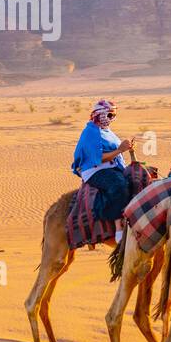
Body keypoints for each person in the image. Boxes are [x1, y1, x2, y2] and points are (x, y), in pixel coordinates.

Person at [71, 99, 134, 240]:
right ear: (101, 114)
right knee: (119, 185)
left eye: (114, 115)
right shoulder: (91, 132)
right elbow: (98, 158)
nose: (112, 119)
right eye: (110, 115)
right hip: (95, 170)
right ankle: (118, 227)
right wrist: (119, 150)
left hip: (112, 167)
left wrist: (126, 148)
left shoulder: (106, 131)